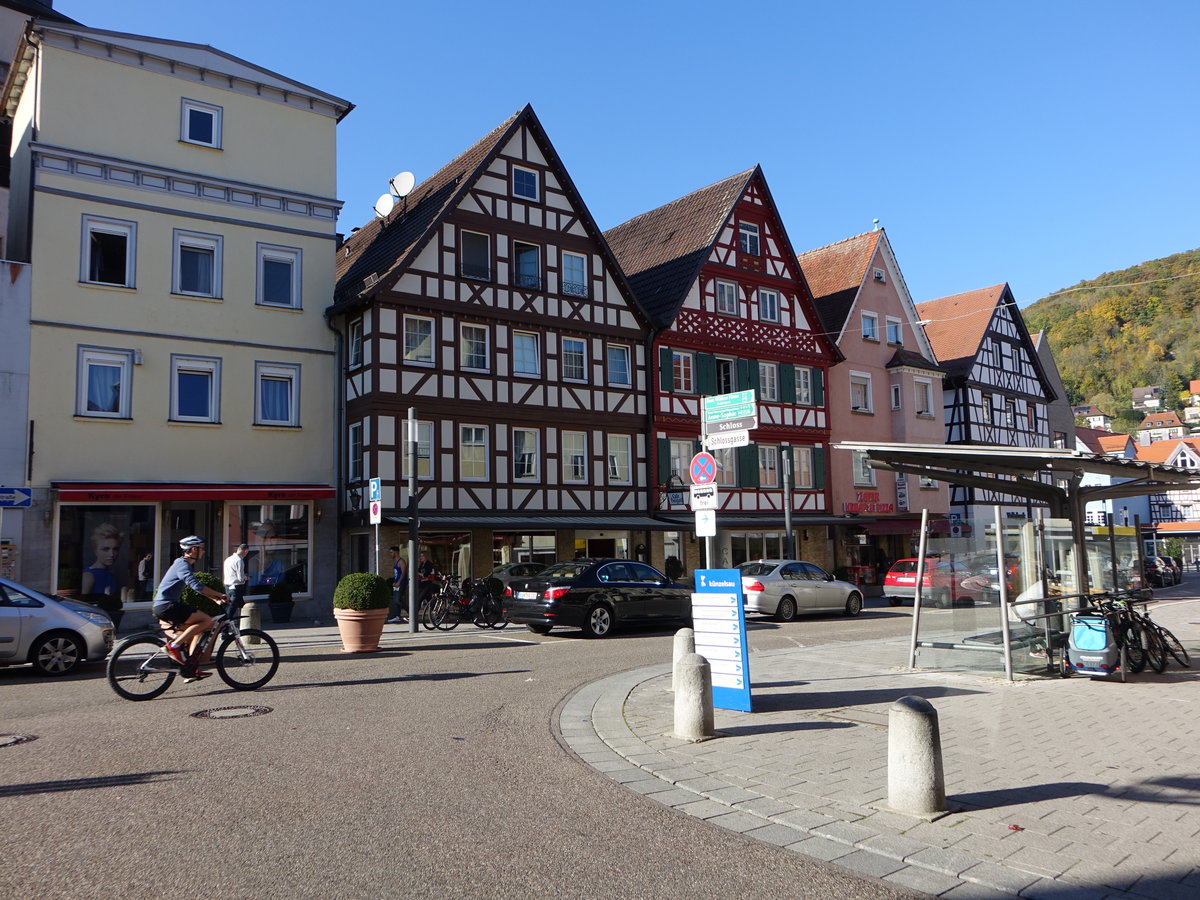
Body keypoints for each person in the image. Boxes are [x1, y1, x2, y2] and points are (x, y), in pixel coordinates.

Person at [152, 536, 228, 681]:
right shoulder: (182, 564)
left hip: (166, 605)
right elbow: (197, 586)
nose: (203, 552)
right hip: (166, 606)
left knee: (196, 629)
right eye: (202, 549)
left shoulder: (182, 564)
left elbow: (194, 587)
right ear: (194, 549)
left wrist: (214, 598)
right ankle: (174, 646)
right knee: (206, 621)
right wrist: (220, 594)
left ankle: (190, 669)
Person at [81, 522, 121, 597]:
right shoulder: (88, 576)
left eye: (115, 549)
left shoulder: (109, 574)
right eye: (105, 549)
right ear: (95, 550)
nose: (111, 554)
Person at [387, 546, 409, 624]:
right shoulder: (395, 561)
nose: (390, 554)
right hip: (396, 583)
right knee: (398, 600)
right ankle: (397, 616)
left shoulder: (401, 561)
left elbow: (403, 573)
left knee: (397, 599)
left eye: (391, 552)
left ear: (396, 552)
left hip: (401, 583)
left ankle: (408, 613)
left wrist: (399, 582)